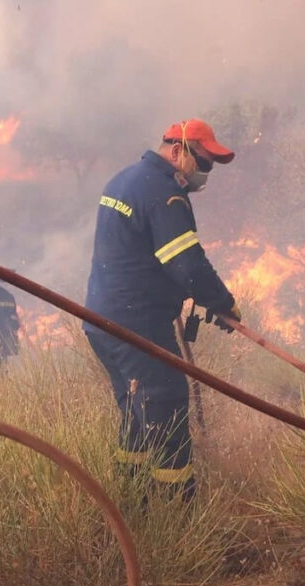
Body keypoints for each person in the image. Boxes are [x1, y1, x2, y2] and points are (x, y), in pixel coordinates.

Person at [83, 118, 242, 501]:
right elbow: (186, 262)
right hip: (137, 325)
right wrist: (224, 303)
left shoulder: (123, 181)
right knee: (167, 406)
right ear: (177, 150)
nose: (205, 174)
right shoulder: (164, 193)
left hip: (102, 321)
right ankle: (177, 516)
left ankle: (131, 504)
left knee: (137, 412)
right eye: (202, 163)